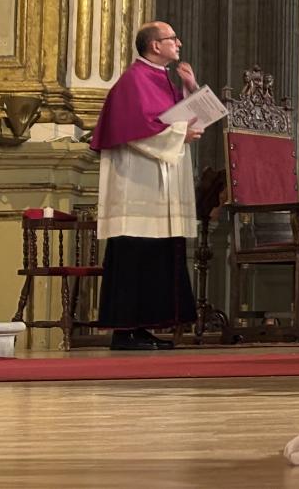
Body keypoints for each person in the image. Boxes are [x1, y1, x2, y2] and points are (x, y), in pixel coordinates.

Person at [89, 21, 202, 350]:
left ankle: (142, 327)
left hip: (157, 185)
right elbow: (137, 127)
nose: (178, 43)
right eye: (171, 39)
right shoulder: (134, 80)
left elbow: (169, 117)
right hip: (136, 186)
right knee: (134, 256)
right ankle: (124, 331)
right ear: (155, 45)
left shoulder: (161, 78)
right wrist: (182, 133)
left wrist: (190, 89)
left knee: (156, 258)